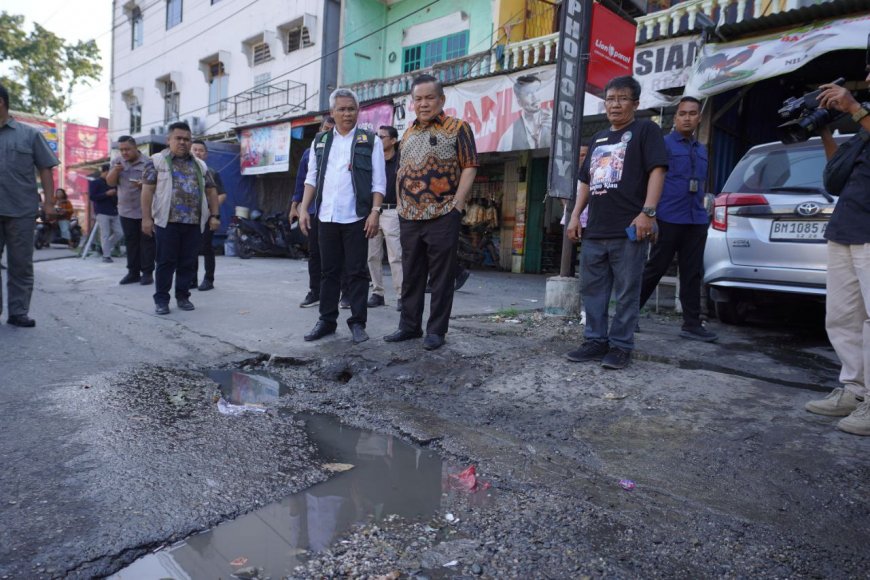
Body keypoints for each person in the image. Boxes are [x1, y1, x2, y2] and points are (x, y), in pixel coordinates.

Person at [566, 75, 668, 369]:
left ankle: (621, 346)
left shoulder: (645, 130)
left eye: (622, 98)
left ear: (635, 103)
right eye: (610, 99)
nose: (615, 104)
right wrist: (575, 216)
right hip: (595, 229)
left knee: (627, 291)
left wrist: (648, 212)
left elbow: (657, 171)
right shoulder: (598, 138)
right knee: (593, 290)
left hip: (629, 228)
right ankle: (595, 341)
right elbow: (585, 181)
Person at [384, 74, 479, 351]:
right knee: (412, 274)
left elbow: (470, 165)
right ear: (412, 102)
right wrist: (401, 207)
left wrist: (457, 206)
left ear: (441, 99)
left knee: (440, 276)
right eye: (418, 99)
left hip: (442, 214)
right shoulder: (409, 133)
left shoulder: (458, 127)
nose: (423, 104)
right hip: (409, 217)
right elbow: (402, 171)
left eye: (429, 98)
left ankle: (436, 331)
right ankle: (409, 326)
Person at [804, 71, 870, 436]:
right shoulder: (864, 123)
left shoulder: (863, 114)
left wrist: (854, 107)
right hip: (846, 227)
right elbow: (836, 176)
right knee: (843, 316)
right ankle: (855, 391)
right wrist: (824, 129)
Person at [298, 88, 386, 344]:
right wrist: (304, 208)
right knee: (329, 272)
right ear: (332, 113)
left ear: (358, 111)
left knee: (357, 272)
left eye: (351, 109)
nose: (347, 113)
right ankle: (326, 321)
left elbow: (378, 182)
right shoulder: (321, 141)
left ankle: (358, 323)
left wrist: (375, 212)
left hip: (357, 217)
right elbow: (311, 178)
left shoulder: (370, 141)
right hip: (326, 217)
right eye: (342, 109)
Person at [638, 96, 718, 342]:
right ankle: (628, 314)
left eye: (692, 113)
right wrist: (651, 216)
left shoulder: (701, 149)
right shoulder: (664, 145)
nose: (687, 118)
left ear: (699, 117)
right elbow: (650, 180)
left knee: (692, 272)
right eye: (682, 113)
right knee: (655, 268)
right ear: (675, 118)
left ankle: (691, 324)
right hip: (668, 217)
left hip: (695, 219)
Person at [141, 121, 220, 315]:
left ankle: (183, 296)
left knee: (188, 262)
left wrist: (214, 215)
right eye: (178, 138)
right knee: (165, 262)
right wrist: (146, 219)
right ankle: (161, 300)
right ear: (169, 140)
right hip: (167, 221)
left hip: (193, 222)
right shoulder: (157, 161)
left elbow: (211, 191)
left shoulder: (200, 165)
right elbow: (147, 191)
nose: (183, 142)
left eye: (187, 139)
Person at [0, 83, 59, 327]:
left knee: (21, 263)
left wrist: (49, 204)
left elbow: (45, 169)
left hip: (21, 210)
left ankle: (18, 312)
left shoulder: (29, 134)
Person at [290, 116, 351, 309]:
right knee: (315, 253)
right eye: (325, 128)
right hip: (315, 211)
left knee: (340, 255)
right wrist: (295, 205)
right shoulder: (310, 152)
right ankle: (315, 292)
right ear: (320, 128)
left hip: (339, 211)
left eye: (332, 129)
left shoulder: (345, 149)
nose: (328, 132)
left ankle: (346, 294)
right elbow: (302, 180)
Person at [107, 135, 154, 285]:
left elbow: (156, 184)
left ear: (135, 148)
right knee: (131, 242)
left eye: (127, 149)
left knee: (147, 242)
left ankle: (147, 273)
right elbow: (110, 182)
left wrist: (144, 185)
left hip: (145, 210)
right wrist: (115, 171)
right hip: (125, 210)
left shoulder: (148, 162)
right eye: (122, 150)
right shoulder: (117, 162)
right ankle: (132, 272)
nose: (124, 153)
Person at [367, 125, 404, 311]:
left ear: (393, 140)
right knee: (372, 255)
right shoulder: (374, 160)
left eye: (382, 137)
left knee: (395, 256)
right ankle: (377, 293)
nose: (378, 139)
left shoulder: (401, 161)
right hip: (374, 212)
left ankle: (401, 296)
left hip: (392, 211)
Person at [190, 140, 226, 291]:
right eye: (195, 149)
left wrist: (212, 211)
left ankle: (208, 279)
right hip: (189, 217)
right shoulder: (184, 171)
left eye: (201, 150)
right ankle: (191, 280)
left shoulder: (211, 172)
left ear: (206, 154)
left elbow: (222, 195)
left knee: (206, 247)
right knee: (190, 249)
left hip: (208, 216)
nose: (198, 152)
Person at [497, 74, 552, 151]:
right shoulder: (509, 137)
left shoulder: (553, 120)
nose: (535, 97)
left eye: (537, 90)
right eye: (528, 93)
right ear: (519, 102)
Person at [88, 163, 124, 263]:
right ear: (105, 171)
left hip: (114, 211)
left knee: (120, 233)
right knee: (105, 234)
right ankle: (106, 255)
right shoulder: (95, 183)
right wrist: (106, 194)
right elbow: (92, 197)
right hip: (102, 211)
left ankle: (105, 248)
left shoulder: (114, 183)